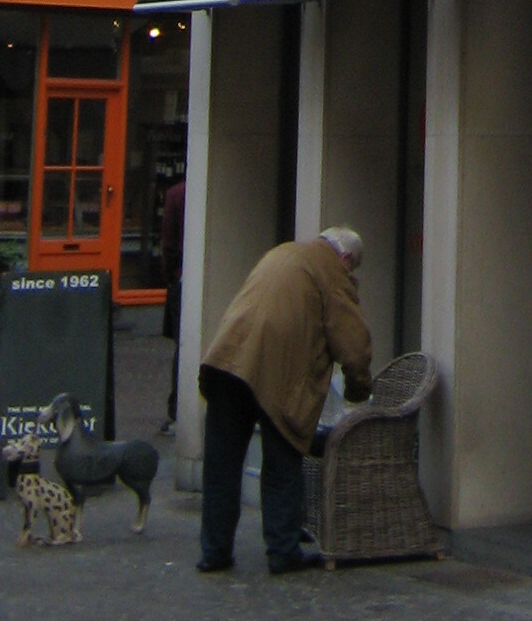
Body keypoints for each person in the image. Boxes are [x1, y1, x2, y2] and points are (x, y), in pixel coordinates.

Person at [196, 224, 371, 576]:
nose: (350, 274)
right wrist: (358, 391)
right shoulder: (332, 272)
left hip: (226, 362)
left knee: (221, 467)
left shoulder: (282, 253)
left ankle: (215, 552)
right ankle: (283, 551)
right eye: (353, 268)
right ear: (346, 258)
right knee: (282, 463)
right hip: (275, 374)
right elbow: (353, 345)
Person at [157, 172, 186, 436]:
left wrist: (170, 275)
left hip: (181, 278)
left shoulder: (176, 194)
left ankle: (177, 410)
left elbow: (168, 243)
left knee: (183, 345)